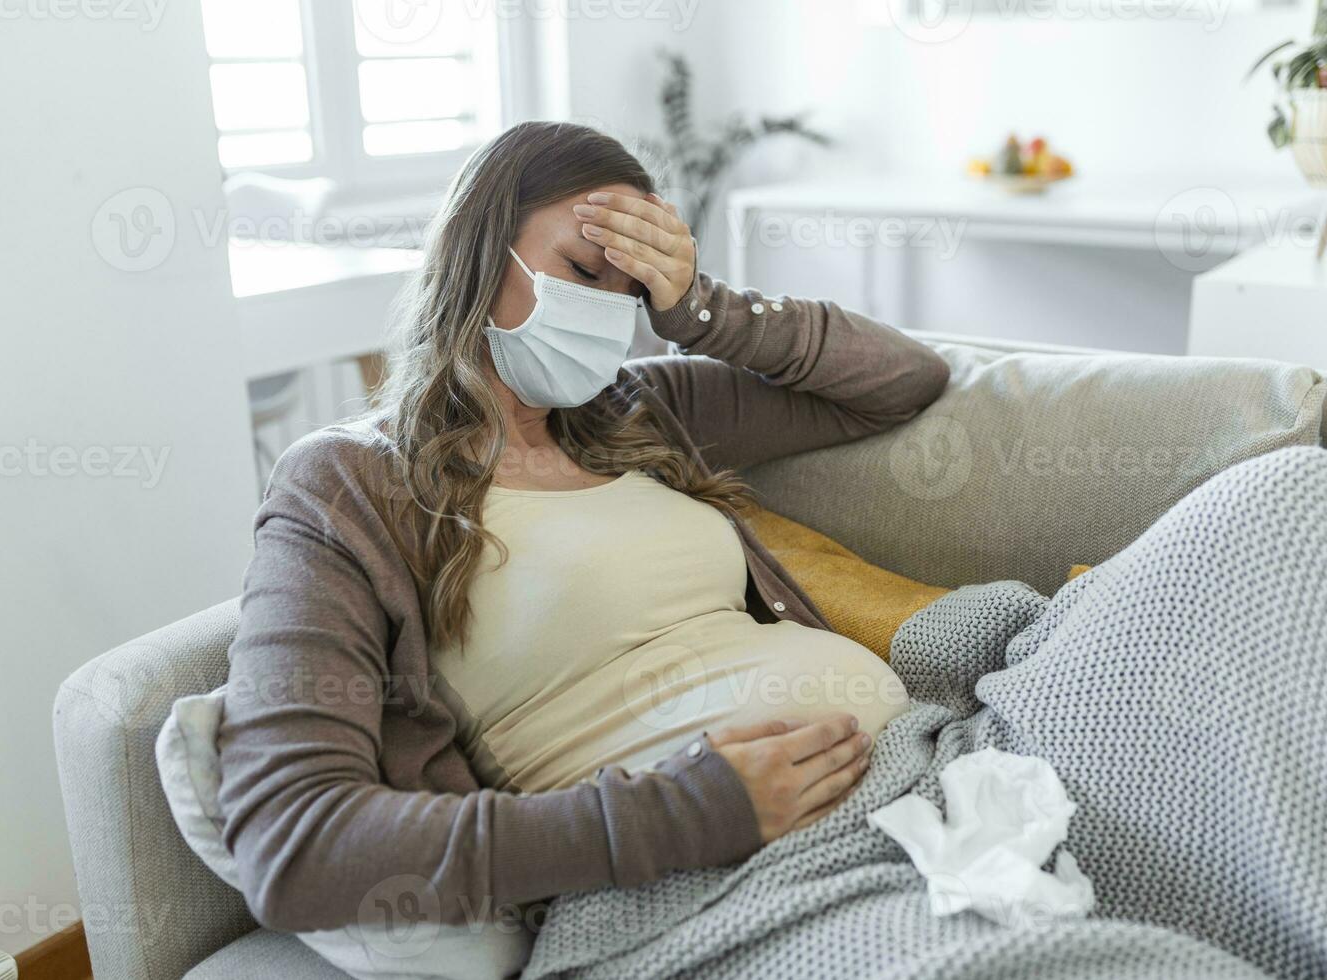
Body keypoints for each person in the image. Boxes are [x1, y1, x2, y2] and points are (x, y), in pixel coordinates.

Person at [218, 120, 948, 932]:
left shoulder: (640, 410)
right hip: (724, 886)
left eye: (629, 287)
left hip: (924, 773)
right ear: (479, 248)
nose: (604, 309)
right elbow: (292, 847)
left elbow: (905, 380)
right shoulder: (347, 484)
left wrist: (700, 307)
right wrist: (686, 813)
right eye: (579, 269)